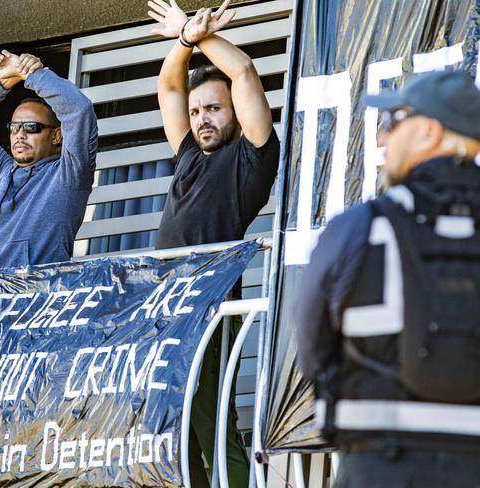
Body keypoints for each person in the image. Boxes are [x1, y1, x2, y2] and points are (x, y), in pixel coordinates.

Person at [295, 70, 480, 487]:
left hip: (379, 466)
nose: (382, 138)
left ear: (429, 132)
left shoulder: (358, 227)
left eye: (394, 122)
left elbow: (311, 345)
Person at [148, 1, 280, 485]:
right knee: (170, 424)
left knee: (209, 418)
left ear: (235, 114)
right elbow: (168, 86)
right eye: (197, 110)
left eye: (214, 109)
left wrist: (192, 31)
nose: (202, 118)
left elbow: (243, 70)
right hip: (164, 307)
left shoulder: (252, 158)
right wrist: (184, 42)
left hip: (210, 306)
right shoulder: (187, 154)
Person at [0, 50, 97, 269]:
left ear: (57, 135)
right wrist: (4, 80)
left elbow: (78, 110)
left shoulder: (68, 175)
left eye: (32, 127)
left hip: (31, 298)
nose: (20, 134)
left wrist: (33, 74)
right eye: (14, 127)